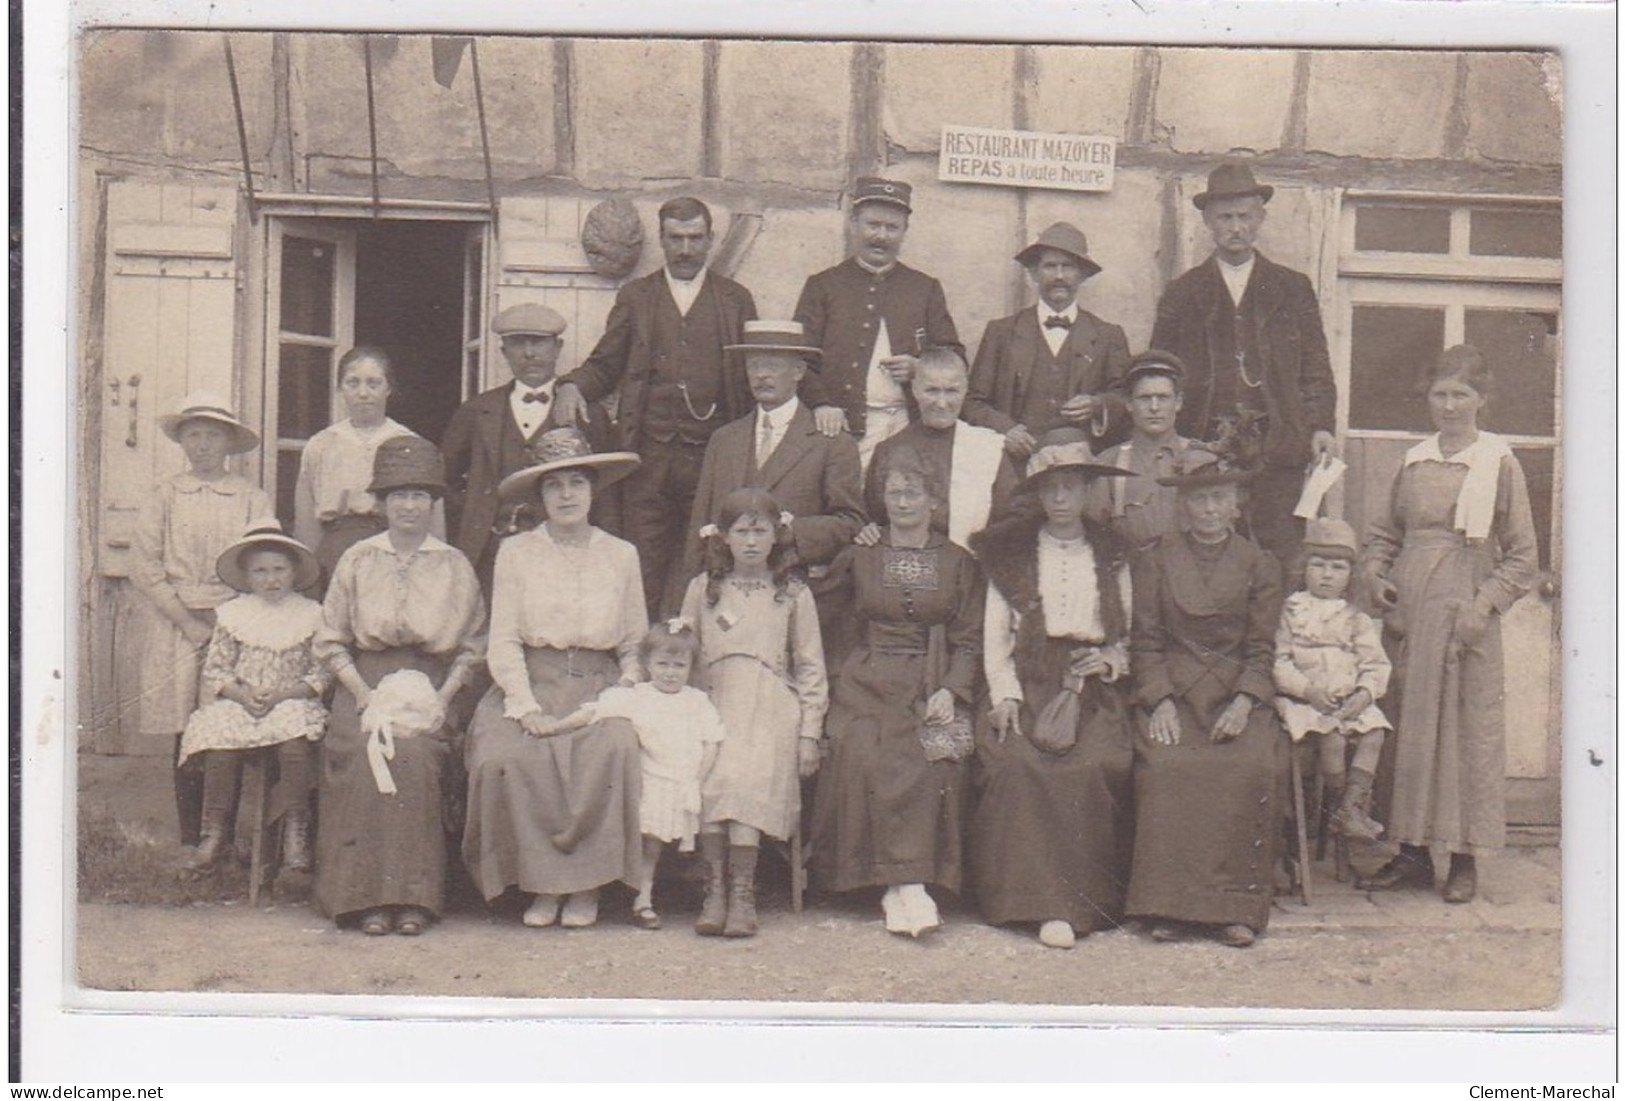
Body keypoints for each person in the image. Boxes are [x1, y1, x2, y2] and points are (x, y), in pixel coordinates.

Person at [1357, 345, 1539, 903]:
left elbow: (1523, 556)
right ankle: (1410, 853)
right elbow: (1385, 535)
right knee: (1409, 731)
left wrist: (1483, 606)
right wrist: (1376, 574)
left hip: (1465, 616)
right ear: (1427, 398)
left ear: (1482, 399)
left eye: (1462, 394)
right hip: (1411, 611)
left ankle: (1463, 859)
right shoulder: (1413, 461)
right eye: (1441, 394)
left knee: (1464, 735)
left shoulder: (1498, 462)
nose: (1450, 405)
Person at [460, 428, 648, 931]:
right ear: (540, 497)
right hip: (533, 679)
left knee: (613, 748)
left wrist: (621, 691)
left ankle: (586, 886)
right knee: (508, 755)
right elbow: (503, 640)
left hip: (599, 680)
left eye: (576, 483)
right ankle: (541, 884)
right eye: (554, 486)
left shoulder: (620, 554)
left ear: (592, 491)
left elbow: (634, 643)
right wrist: (524, 705)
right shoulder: (518, 552)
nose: (566, 495)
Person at [966, 429, 1137, 950]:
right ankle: (1025, 901)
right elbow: (996, 638)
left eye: (1070, 488)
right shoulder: (1012, 553)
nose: (1060, 500)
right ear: (1038, 496)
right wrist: (1006, 696)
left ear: (1088, 493)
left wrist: (1108, 660)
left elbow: (1127, 633)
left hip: (1089, 688)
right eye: (1050, 489)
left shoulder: (1111, 552)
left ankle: (1079, 903)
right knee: (1018, 764)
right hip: (1028, 678)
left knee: (1094, 765)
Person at [553, 197, 759, 619]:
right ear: (661, 240)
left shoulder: (735, 299)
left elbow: (754, 376)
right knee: (642, 563)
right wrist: (572, 385)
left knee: (706, 560)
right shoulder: (638, 297)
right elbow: (605, 363)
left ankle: (694, 661)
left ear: (710, 240)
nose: (685, 249)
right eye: (676, 239)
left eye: (695, 239)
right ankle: (638, 661)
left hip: (709, 459)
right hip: (647, 460)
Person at [313, 436, 486, 936]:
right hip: (363, 680)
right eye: (397, 496)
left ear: (434, 504)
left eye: (419, 496)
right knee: (365, 749)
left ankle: (414, 897)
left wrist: (443, 698)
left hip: (432, 682)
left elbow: (472, 645)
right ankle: (361, 897)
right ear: (382, 503)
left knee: (413, 757)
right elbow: (330, 639)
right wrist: (362, 694)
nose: (408, 506)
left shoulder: (453, 564)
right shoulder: (358, 559)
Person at [810, 446, 984, 938]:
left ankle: (909, 883)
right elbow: (824, 611)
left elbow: (969, 639)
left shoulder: (957, 562)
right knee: (861, 749)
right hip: (866, 681)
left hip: (930, 681)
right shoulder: (864, 552)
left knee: (937, 753)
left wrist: (953, 689)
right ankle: (897, 885)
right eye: (894, 492)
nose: (903, 501)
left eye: (914, 492)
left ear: (933, 500)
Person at [1125, 449, 1285, 948]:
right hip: (1174, 687)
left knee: (1250, 764)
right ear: (1183, 506)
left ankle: (1232, 909)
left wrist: (1244, 703)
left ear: (1236, 505)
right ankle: (1171, 906)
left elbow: (1261, 648)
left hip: (1235, 692)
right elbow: (1145, 642)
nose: (1211, 510)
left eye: (1220, 499)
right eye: (1200, 501)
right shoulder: (1155, 559)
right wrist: (1160, 700)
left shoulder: (1260, 563)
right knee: (1168, 765)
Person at [1149, 161, 1337, 562]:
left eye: (1245, 217)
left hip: (1279, 442)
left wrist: (1320, 424)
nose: (1236, 227)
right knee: (1208, 547)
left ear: (1260, 218)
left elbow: (1315, 364)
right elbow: (1160, 370)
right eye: (1226, 217)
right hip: (1204, 442)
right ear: (1207, 222)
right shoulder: (1183, 293)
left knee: (1277, 551)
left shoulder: (1292, 288)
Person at [680, 488, 829, 938]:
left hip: (769, 704)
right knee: (712, 770)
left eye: (759, 531)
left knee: (745, 773)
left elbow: (810, 665)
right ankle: (716, 890)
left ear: (775, 536)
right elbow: (682, 652)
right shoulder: (703, 589)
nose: (749, 542)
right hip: (713, 700)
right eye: (740, 531)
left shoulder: (793, 593)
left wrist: (809, 732)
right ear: (723, 537)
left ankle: (743, 891)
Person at [130, 392, 273, 848]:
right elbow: (146, 567)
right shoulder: (165, 495)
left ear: (229, 443)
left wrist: (232, 624)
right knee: (186, 729)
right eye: (194, 435)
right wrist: (187, 622)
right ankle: (193, 840)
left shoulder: (251, 498)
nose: (203, 445)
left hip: (235, 623)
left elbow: (265, 562)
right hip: (175, 623)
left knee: (225, 723)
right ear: (182, 441)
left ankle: (225, 839)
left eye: (213, 435)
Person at [530, 622, 726, 931]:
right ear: (647, 664)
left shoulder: (696, 700)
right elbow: (594, 711)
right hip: (654, 781)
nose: (670, 673)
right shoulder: (637, 696)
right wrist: (557, 726)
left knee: (691, 844)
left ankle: (710, 901)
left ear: (691, 667)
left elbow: (712, 739)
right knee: (649, 846)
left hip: (688, 782)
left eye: (679, 666)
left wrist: (698, 780)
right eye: (662, 664)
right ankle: (642, 900)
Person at [177, 520, 328, 889]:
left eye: (279, 570)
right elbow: (217, 670)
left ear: (294, 573)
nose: (271, 579)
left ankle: (296, 832)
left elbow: (320, 675)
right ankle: (215, 832)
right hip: (244, 703)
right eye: (260, 571)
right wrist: (242, 694)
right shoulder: (234, 615)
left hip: (290, 701)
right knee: (219, 741)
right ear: (246, 576)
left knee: (296, 745)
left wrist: (283, 694)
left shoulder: (311, 614)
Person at [684, 320, 866, 598]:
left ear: (798, 371)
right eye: (754, 365)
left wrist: (792, 532)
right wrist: (693, 597)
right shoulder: (724, 439)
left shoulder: (832, 442)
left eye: (773, 365)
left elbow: (850, 523)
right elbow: (700, 526)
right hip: (724, 593)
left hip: (794, 591)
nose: (762, 375)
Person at [440, 302, 616, 589]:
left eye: (539, 343)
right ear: (503, 352)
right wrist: (475, 513)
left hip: (564, 552)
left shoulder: (587, 413)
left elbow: (606, 490)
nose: (529, 353)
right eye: (518, 343)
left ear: (557, 348)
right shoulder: (477, 410)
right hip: (490, 554)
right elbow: (443, 478)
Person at [793, 177, 962, 472]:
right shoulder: (823, 286)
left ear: (904, 231)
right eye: (873, 225)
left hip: (908, 424)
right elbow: (799, 360)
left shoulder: (924, 288)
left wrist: (918, 367)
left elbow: (953, 356)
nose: (881, 236)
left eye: (892, 227)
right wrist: (821, 404)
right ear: (854, 224)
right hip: (842, 425)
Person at [963, 222, 1132, 462]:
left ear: (1082, 274)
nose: (1059, 276)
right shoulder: (1001, 333)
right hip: (1015, 464)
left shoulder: (1108, 335)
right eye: (1050, 266)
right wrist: (1006, 431)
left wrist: (1097, 405)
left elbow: (1127, 400)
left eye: (1068, 267)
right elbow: (971, 402)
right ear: (1033, 273)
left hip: (1081, 465)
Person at [1272, 517, 1393, 842]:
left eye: (1338, 567)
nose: (1327, 575)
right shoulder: (1292, 610)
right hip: (1306, 703)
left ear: (1350, 574)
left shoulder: (1356, 617)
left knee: (1375, 734)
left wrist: (1365, 695)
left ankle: (1350, 809)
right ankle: (1342, 810)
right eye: (1319, 565)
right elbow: (1279, 662)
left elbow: (1375, 665)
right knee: (1334, 741)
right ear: (1304, 568)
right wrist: (1307, 689)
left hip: (1347, 704)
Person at [292, 346, 443, 591]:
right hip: (336, 551)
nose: (363, 393)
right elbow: (307, 519)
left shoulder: (410, 443)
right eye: (353, 383)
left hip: (394, 549)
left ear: (388, 389)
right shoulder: (321, 444)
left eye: (373, 383)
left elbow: (432, 515)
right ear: (340, 388)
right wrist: (309, 572)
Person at [860, 346, 1021, 551]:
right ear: (915, 389)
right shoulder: (889, 450)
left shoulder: (987, 447)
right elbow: (875, 520)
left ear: (965, 390)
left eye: (951, 391)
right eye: (932, 390)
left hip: (971, 567)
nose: (942, 403)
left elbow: (1010, 520)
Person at [1089, 350, 1200, 556]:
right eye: (1144, 398)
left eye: (1163, 398)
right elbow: (1094, 535)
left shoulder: (1202, 458)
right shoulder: (1108, 464)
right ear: (1129, 404)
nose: (1154, 407)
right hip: (1131, 577)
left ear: (1179, 402)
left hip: (1190, 579)